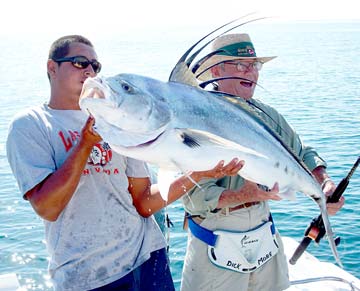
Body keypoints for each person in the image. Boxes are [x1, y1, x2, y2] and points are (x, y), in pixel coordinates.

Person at [6, 35, 244, 291]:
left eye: (95, 66)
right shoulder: (31, 125)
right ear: (52, 67)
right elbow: (47, 207)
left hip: (148, 259)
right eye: (79, 62)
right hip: (87, 276)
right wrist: (85, 144)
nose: (90, 70)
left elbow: (143, 201)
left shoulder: (116, 121)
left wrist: (199, 174)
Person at [180, 33, 345, 291]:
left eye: (255, 66)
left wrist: (323, 182)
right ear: (216, 70)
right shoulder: (195, 117)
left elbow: (302, 152)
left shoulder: (266, 114)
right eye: (241, 65)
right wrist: (240, 195)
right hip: (215, 236)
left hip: (264, 229)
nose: (252, 73)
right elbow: (192, 196)